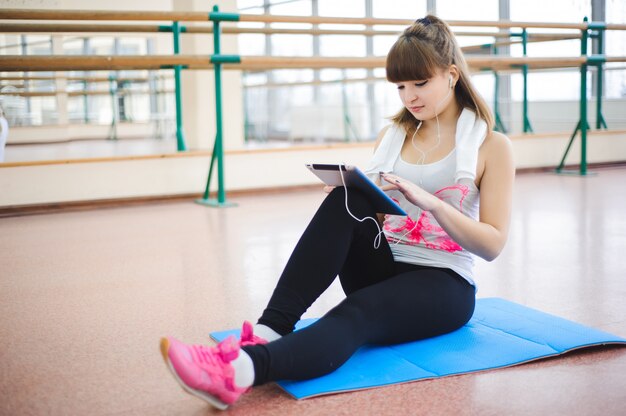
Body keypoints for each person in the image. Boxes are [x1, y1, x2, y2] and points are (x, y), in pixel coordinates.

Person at [159, 15, 514, 410]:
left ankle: (239, 371)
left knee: (358, 311)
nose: (409, 96)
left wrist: (433, 205)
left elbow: (493, 244)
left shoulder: (491, 145)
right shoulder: (393, 136)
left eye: (420, 83)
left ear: (451, 75)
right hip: (387, 263)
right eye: (400, 86)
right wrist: (358, 199)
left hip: (444, 283)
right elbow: (378, 217)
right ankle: (269, 330)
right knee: (350, 198)